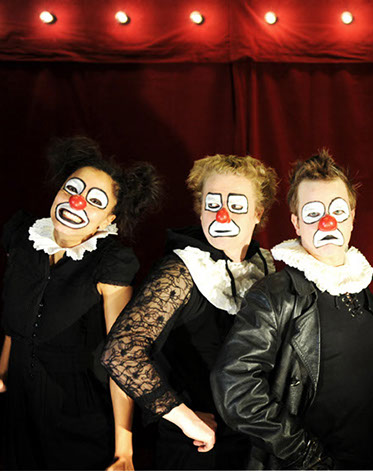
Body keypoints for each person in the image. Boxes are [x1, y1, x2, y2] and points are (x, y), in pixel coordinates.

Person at [101, 154, 277, 469]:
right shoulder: (182, 268)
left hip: (254, 440)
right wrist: (185, 419)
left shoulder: (264, 263)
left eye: (236, 205)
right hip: (198, 446)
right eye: (212, 204)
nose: (222, 215)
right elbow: (121, 351)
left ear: (257, 213)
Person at [211, 150, 373, 469]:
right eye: (313, 213)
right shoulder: (275, 294)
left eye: (337, 211)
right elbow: (235, 385)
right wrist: (306, 455)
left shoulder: (364, 290)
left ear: (352, 217)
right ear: (297, 223)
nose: (328, 222)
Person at [0, 136, 160, 470]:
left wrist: (124, 449)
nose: (76, 202)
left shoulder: (111, 264)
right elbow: (14, 327)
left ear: (108, 220)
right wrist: (1, 373)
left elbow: (122, 358)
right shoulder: (22, 238)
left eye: (95, 200)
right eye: (72, 189)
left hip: (76, 413)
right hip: (16, 406)